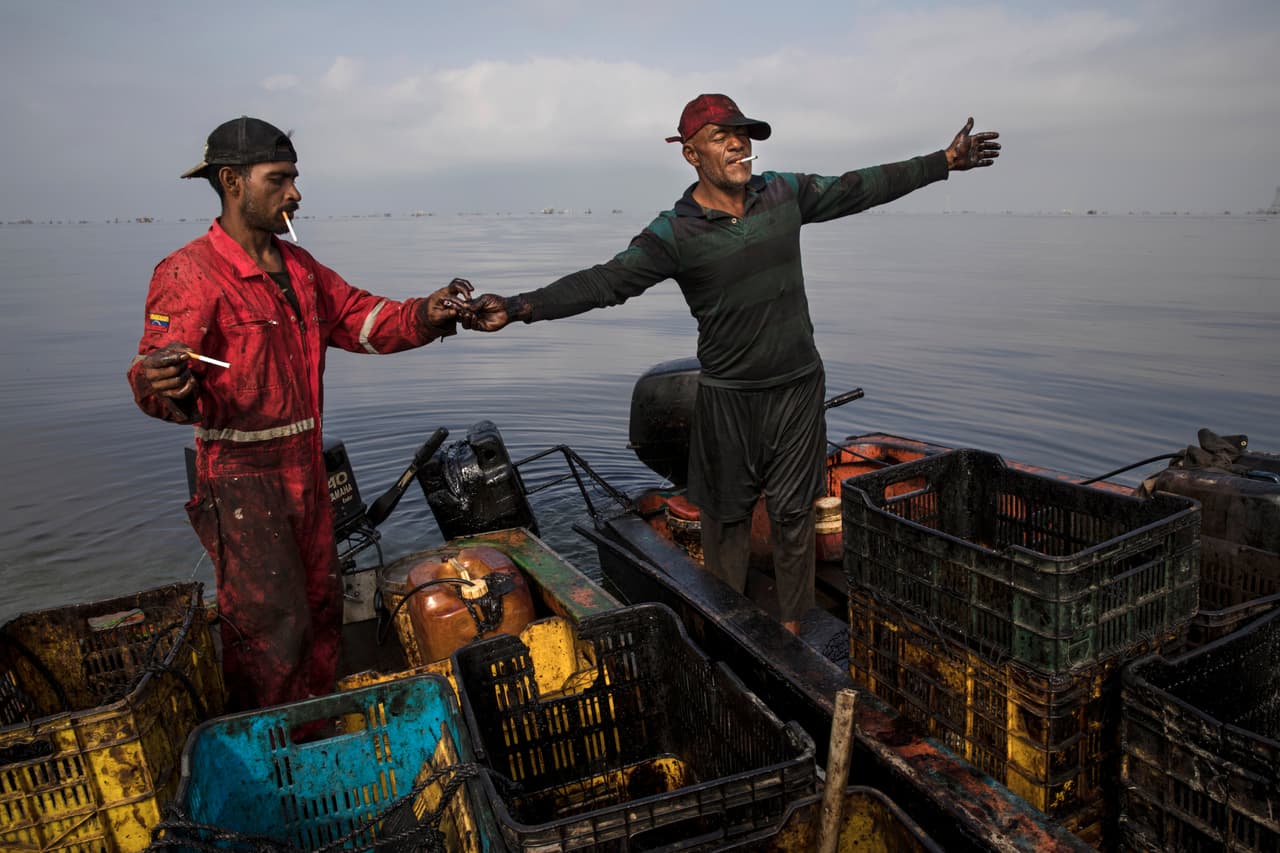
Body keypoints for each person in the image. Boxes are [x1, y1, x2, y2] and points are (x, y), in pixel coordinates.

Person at [462, 94, 1000, 635]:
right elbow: (604, 282)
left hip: (798, 389)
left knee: (794, 516)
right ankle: (726, 631)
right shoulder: (674, 233)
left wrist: (944, 162)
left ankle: (792, 633)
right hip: (728, 399)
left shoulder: (784, 193)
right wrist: (517, 307)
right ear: (692, 155)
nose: (739, 144)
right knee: (726, 522)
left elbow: (862, 187)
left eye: (743, 134)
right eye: (723, 136)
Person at [127, 116, 473, 711]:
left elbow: (364, 320)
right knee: (268, 625)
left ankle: (318, 720)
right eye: (280, 179)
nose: (295, 193)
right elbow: (155, 374)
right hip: (240, 476)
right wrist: (163, 381)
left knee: (320, 602)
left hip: (305, 467)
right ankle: (276, 741)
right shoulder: (188, 274)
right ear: (232, 181)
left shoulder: (301, 268)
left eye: (295, 178)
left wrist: (428, 313)